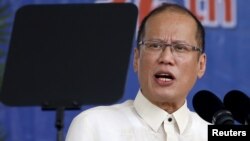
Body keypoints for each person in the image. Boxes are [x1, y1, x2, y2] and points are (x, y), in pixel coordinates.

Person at [66, 2, 208, 141]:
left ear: (200, 65)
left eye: (180, 48)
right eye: (155, 45)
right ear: (136, 58)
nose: (166, 58)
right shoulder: (94, 125)